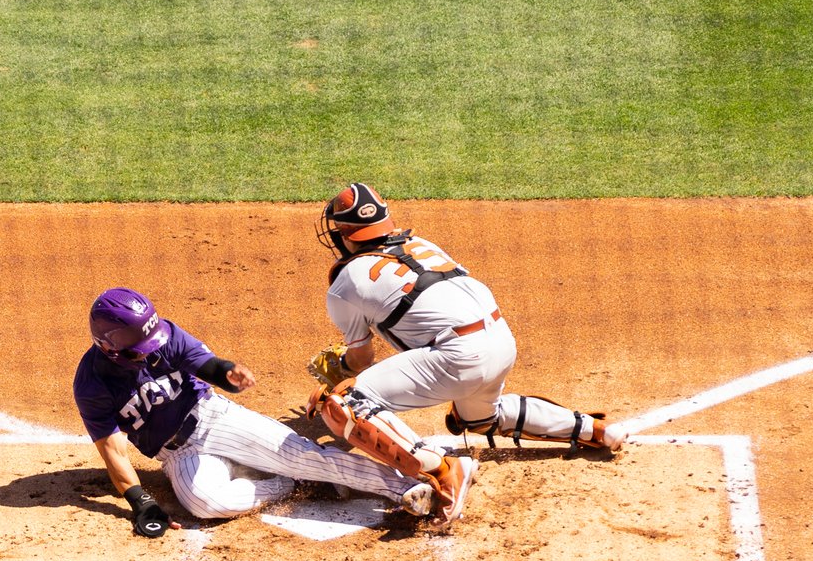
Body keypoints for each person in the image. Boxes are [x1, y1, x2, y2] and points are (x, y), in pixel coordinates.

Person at [309, 182, 628, 531]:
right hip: (501, 341)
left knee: (344, 403)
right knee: (479, 419)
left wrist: (339, 368)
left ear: (345, 233)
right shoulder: (422, 244)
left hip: (457, 357)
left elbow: (361, 360)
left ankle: (445, 471)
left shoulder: (345, 284)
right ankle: (593, 430)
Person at [75, 287, 432, 535]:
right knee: (205, 502)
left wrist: (227, 372)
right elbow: (113, 451)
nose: (151, 352)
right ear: (109, 347)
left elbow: (206, 365)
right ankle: (291, 482)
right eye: (140, 349)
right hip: (177, 454)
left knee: (302, 455)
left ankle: (406, 488)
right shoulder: (91, 385)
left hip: (213, 418)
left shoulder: (163, 335)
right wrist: (141, 503)